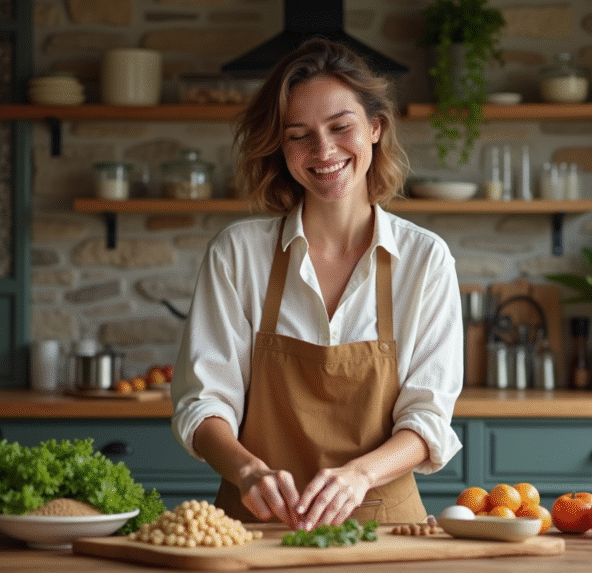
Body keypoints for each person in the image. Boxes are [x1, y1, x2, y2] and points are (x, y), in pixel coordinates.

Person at [171, 37, 463, 532]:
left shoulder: (424, 259)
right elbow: (203, 403)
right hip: (254, 527)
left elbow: (428, 418)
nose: (323, 151)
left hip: (385, 532)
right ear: (280, 148)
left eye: (340, 127)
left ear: (375, 127)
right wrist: (247, 471)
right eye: (298, 135)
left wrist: (358, 475)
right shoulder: (238, 254)